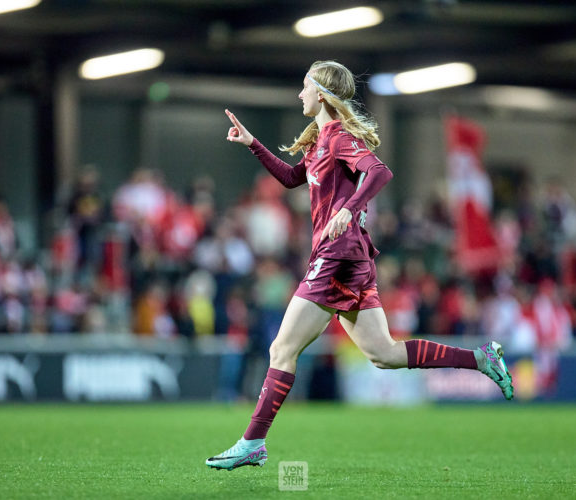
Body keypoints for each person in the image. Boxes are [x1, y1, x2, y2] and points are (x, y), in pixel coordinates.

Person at [206, 61, 513, 471]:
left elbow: (379, 171)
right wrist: (252, 143)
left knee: (282, 348)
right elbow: (293, 178)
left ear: (320, 93)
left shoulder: (338, 139)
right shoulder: (321, 141)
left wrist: (349, 209)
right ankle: (480, 359)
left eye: (304, 88)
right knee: (383, 353)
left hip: (336, 256)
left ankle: (253, 443)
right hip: (351, 260)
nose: (299, 95)